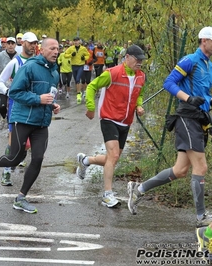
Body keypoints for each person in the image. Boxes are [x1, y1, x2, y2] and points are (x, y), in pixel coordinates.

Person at [128, 28, 212, 229]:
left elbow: (206, 93)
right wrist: (189, 98)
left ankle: (138, 190)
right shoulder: (189, 60)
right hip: (186, 117)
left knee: (181, 170)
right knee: (201, 167)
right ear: (205, 40)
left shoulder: (209, 65)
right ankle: (201, 217)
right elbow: (169, 83)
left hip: (200, 119)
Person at [0, 38, 61, 213]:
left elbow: (48, 95)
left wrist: (52, 105)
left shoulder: (55, 72)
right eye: (52, 48)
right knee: (16, 157)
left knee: (37, 158)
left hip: (41, 122)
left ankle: (21, 197)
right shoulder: (29, 67)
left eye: (58, 49)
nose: (56, 51)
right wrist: (38, 99)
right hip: (22, 119)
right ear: (42, 50)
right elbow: (14, 92)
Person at [76, 44, 146, 208]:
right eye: (137, 59)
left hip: (125, 121)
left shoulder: (141, 76)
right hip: (109, 118)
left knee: (112, 159)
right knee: (113, 156)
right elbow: (92, 86)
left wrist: (139, 106)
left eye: (142, 60)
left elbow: (139, 94)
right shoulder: (112, 73)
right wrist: (91, 108)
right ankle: (107, 194)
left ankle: (86, 160)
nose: (140, 63)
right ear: (127, 57)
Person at [0, 32, 38, 186]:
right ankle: (5, 172)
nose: (33, 46)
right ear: (23, 43)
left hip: (33, 105)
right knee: (13, 142)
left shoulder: (37, 62)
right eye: (31, 43)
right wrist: (9, 92)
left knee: (26, 144)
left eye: (35, 43)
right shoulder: (15, 62)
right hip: (16, 106)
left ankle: (14, 161)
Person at [0, 37, 17, 130]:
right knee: (2, 106)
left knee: (12, 107)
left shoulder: (18, 57)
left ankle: (9, 127)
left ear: (15, 45)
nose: (10, 45)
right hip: (2, 85)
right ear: (5, 44)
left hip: (15, 86)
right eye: (8, 43)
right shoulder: (0, 56)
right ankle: (3, 117)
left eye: (12, 43)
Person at [64, 37, 90, 104]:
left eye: (77, 41)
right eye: (75, 41)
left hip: (80, 65)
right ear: (73, 42)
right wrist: (71, 55)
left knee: (78, 79)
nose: (76, 42)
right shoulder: (71, 48)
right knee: (76, 80)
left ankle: (78, 94)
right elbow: (65, 55)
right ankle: (79, 92)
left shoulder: (83, 48)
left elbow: (88, 55)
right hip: (74, 66)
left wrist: (84, 58)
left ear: (79, 42)